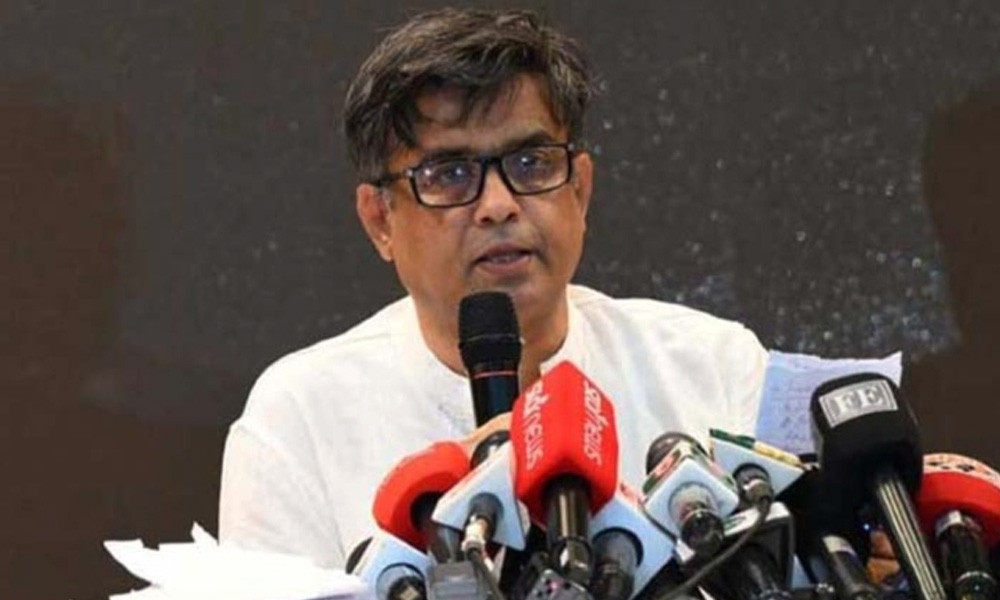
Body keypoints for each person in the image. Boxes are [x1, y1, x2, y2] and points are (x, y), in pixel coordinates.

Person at [218, 7, 768, 569]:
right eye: (450, 174)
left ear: (579, 191)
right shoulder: (300, 418)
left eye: (531, 163)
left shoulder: (714, 368)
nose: (499, 205)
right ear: (380, 221)